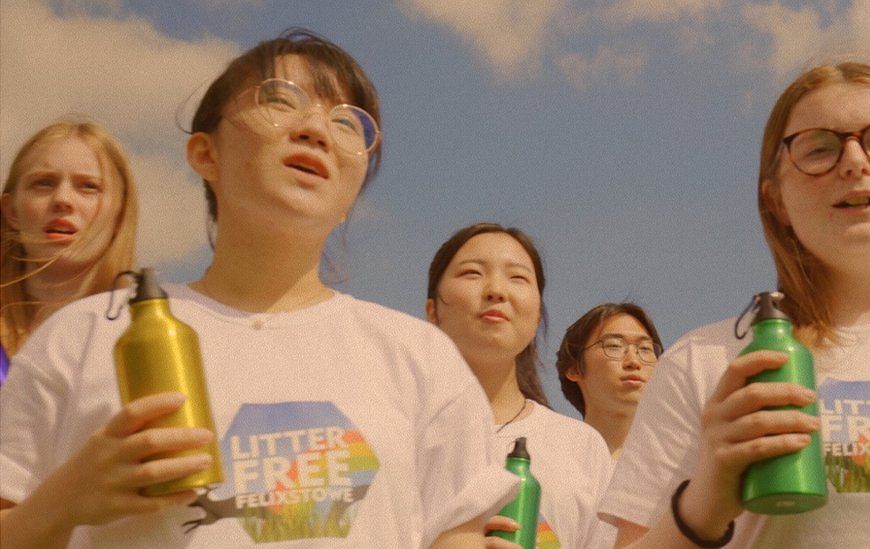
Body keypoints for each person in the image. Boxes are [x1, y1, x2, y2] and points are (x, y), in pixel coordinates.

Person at [0, 30, 516, 548]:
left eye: (346, 123)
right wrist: (63, 500)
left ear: (354, 186)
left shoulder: (422, 360)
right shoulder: (81, 337)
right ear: (205, 154)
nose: (316, 129)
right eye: (279, 99)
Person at [600, 61, 870, 548]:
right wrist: (704, 502)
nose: (855, 162)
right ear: (774, 198)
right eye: (819, 148)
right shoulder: (703, 362)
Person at [426, 222, 614, 548]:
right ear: (432, 311)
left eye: (518, 278)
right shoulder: (401, 432)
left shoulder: (581, 448)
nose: (497, 291)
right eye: (472, 273)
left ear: (538, 314)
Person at [0, 118, 137, 384]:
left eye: (88, 186)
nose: (63, 200)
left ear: (120, 214)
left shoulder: (147, 335)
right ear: (11, 211)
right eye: (43, 183)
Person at [555, 302, 663, 458]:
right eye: (614, 346)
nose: (633, 361)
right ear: (574, 369)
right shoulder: (550, 458)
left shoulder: (684, 464)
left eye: (645, 349)